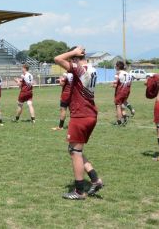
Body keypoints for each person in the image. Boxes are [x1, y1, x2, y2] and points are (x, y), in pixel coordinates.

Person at [54, 46, 103, 200]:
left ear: (76, 57)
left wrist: (73, 53)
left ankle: (79, 191)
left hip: (80, 115)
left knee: (75, 153)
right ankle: (95, 179)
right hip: (90, 114)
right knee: (74, 150)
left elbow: (57, 59)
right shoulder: (92, 68)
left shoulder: (79, 68)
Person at [112, 61, 134, 126]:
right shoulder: (128, 74)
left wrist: (112, 85)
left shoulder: (118, 73)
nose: (115, 67)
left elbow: (115, 85)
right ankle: (125, 118)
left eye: (116, 65)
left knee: (118, 106)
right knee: (122, 104)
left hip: (120, 91)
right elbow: (130, 83)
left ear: (118, 67)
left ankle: (119, 121)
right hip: (127, 91)